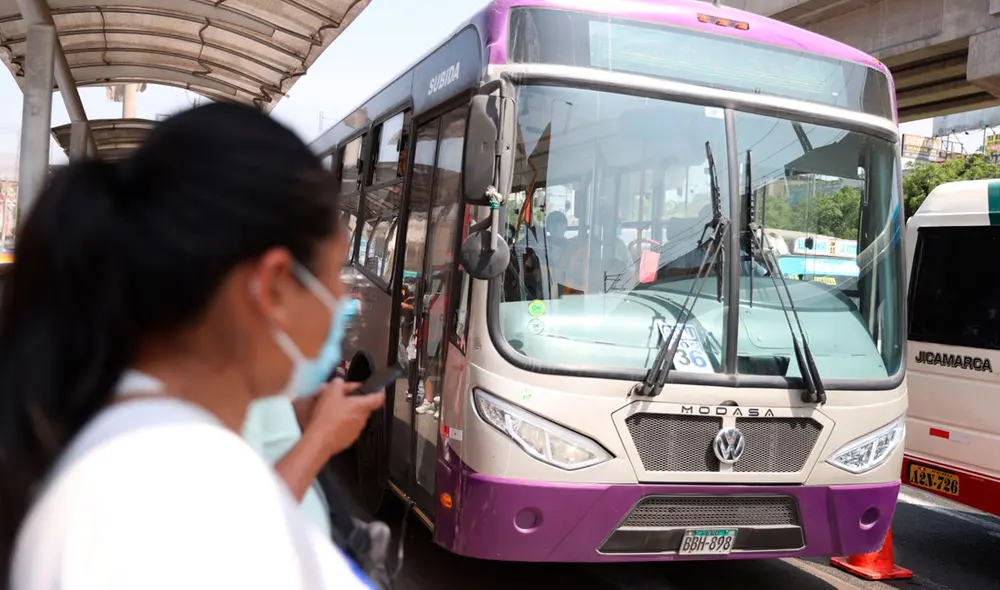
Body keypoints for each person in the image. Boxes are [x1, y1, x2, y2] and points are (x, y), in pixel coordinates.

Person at [0, 103, 385, 590]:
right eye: (333, 273)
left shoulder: (145, 455)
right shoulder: (178, 490)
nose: (344, 298)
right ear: (273, 288)